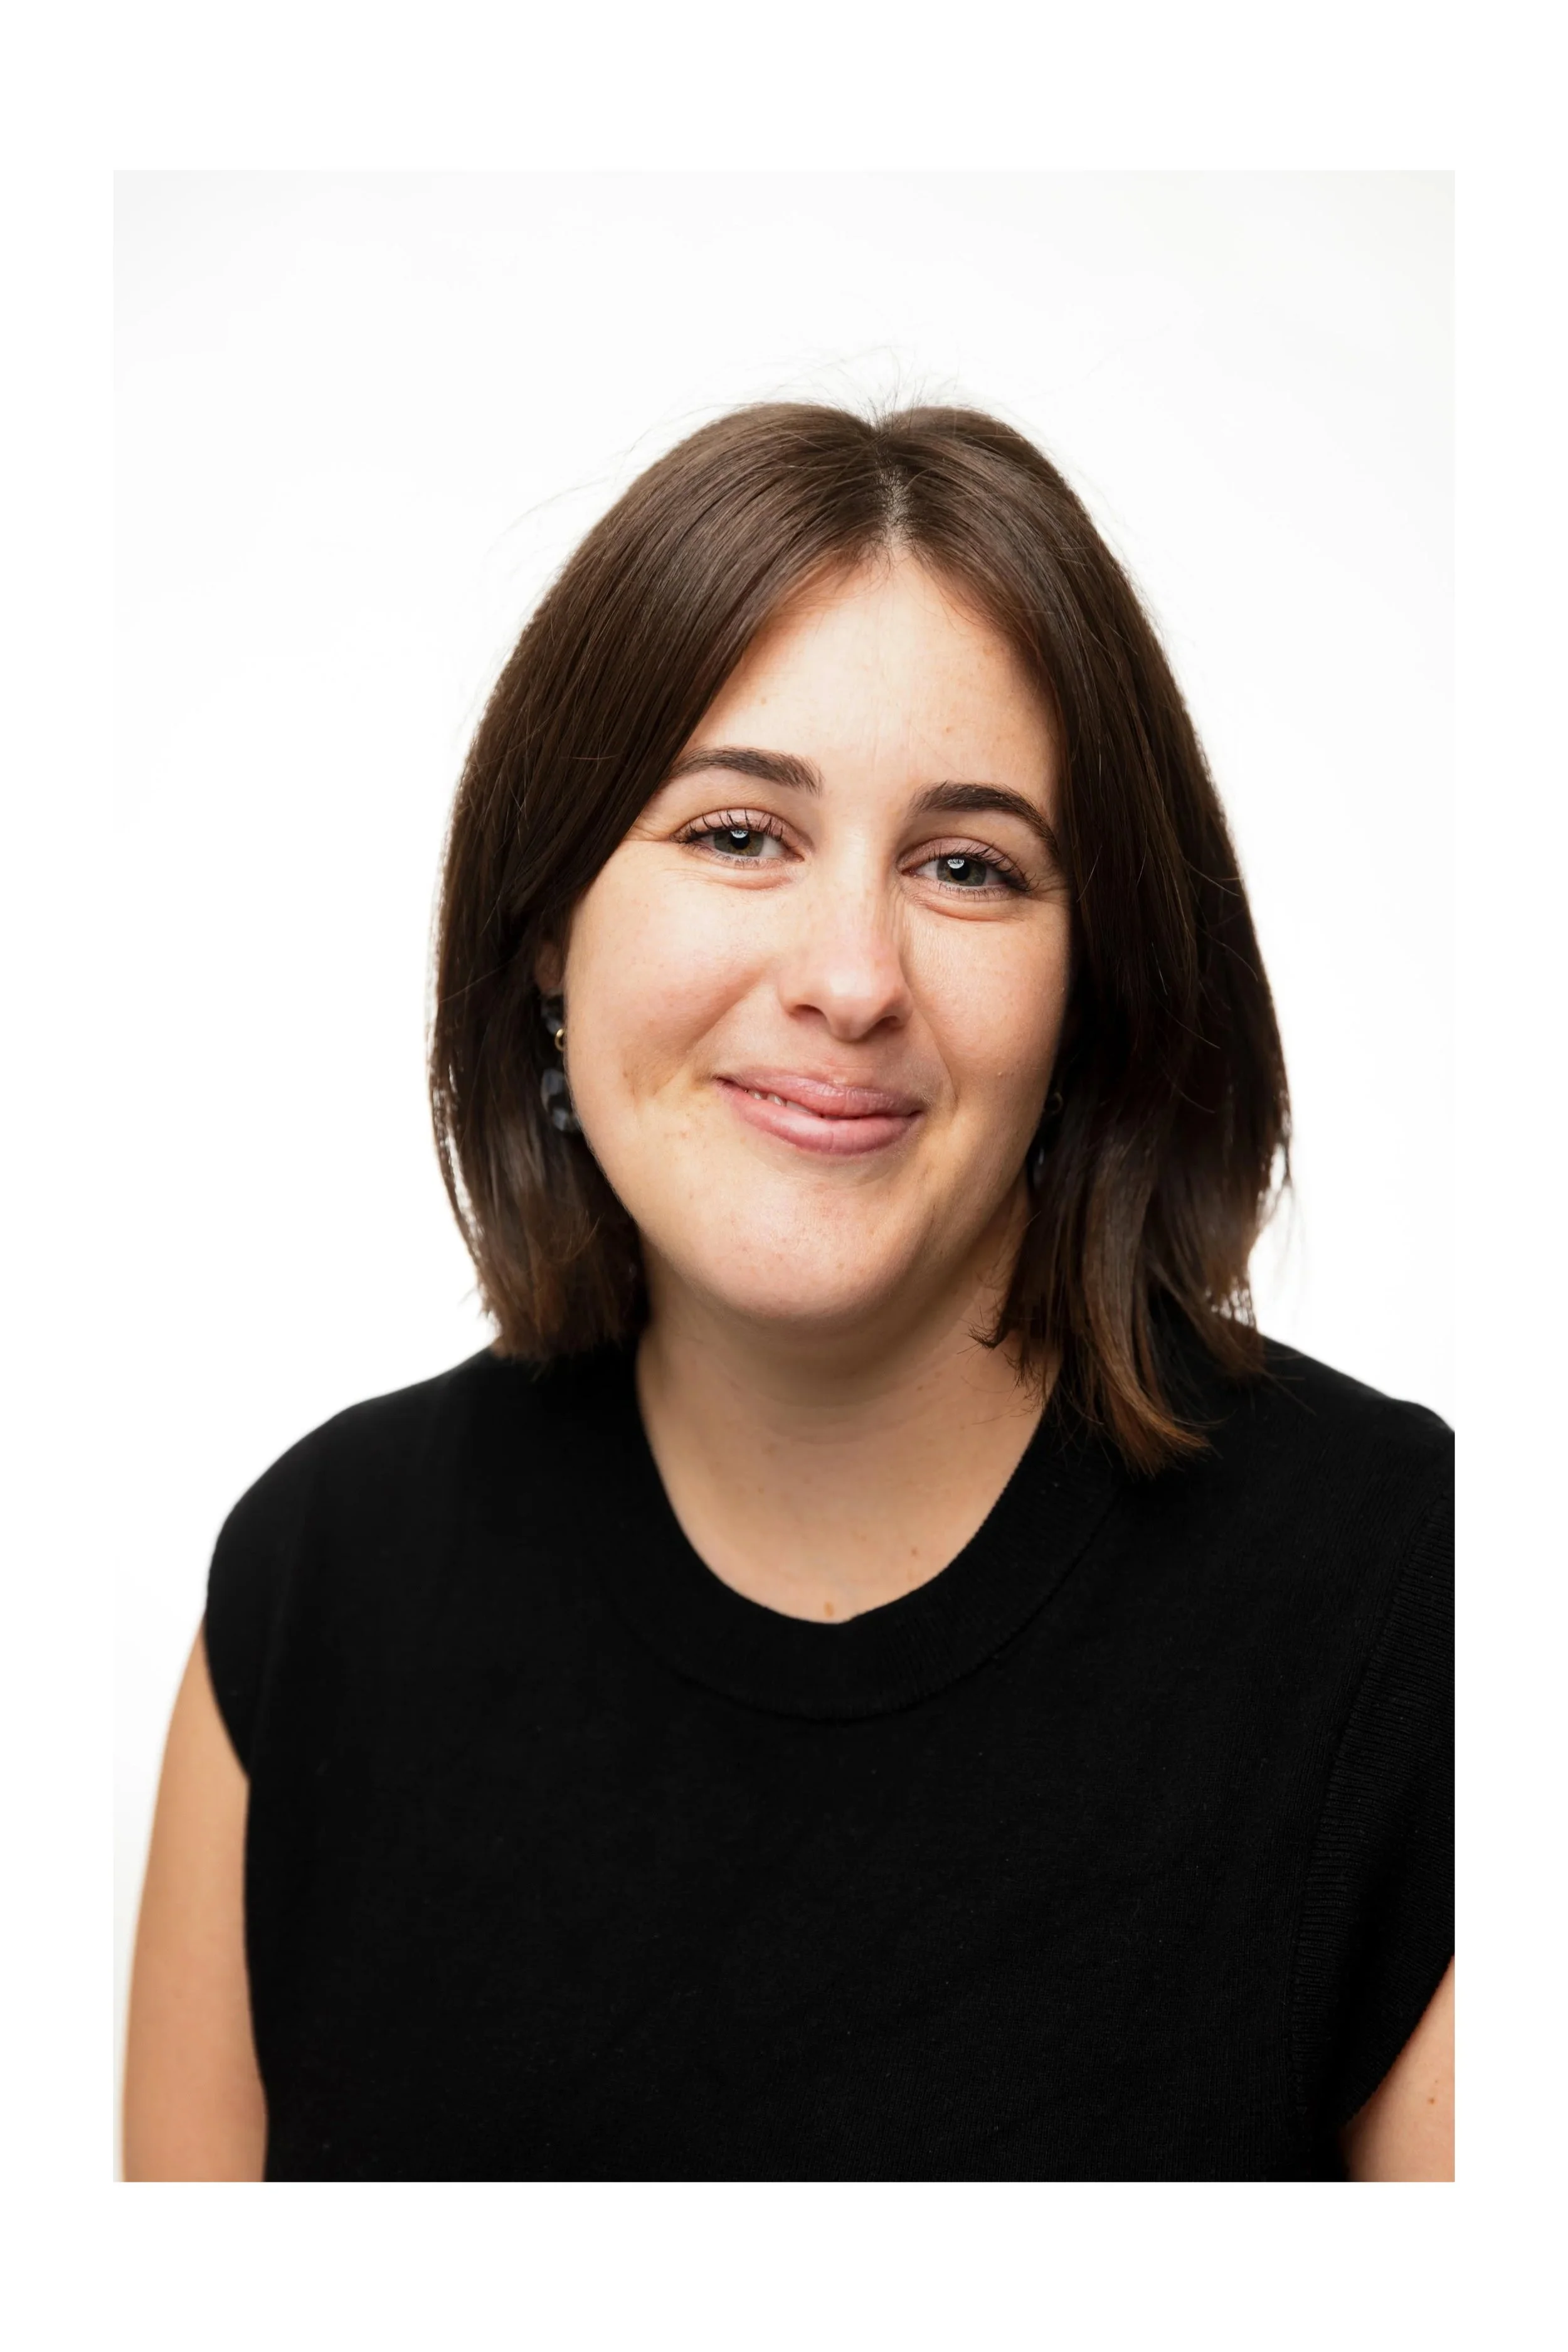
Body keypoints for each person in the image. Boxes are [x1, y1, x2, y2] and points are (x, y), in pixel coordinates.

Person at [123, 402, 1453, 2182]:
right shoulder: (315, 1593)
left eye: (966, 865)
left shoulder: (1420, 1602)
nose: (848, 976)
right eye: (738, 832)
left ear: (1098, 984)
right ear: (545, 921)